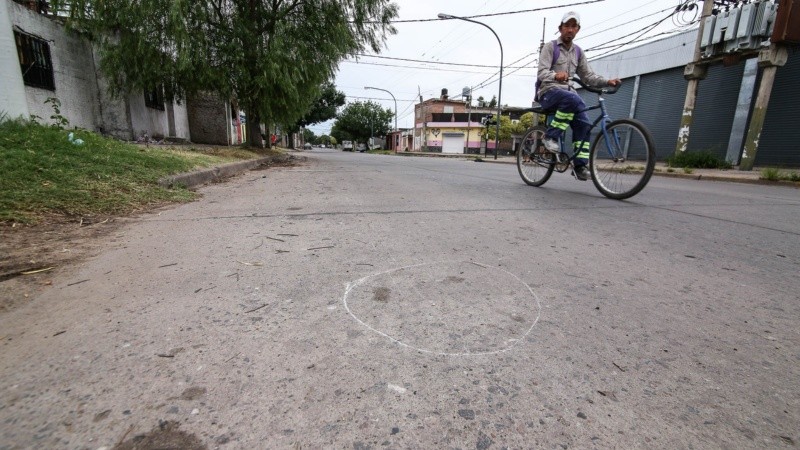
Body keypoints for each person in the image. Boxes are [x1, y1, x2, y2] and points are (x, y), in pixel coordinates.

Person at [537, 11, 620, 180]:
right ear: (560, 28)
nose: (570, 29)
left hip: (569, 96)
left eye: (573, 26)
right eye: (566, 26)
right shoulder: (550, 47)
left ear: (577, 29)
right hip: (548, 92)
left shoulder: (578, 52)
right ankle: (550, 136)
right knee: (574, 99)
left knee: (584, 124)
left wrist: (607, 82)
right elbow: (542, 72)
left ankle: (580, 166)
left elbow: (588, 76)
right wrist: (555, 75)